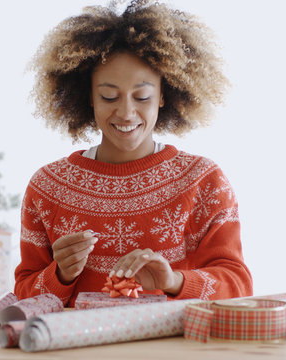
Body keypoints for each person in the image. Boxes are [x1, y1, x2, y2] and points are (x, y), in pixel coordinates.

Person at [14, 0, 252, 307]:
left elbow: (239, 286)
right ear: (88, 95)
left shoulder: (203, 181)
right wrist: (59, 275)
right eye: (109, 96)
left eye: (142, 96)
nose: (126, 113)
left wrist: (174, 281)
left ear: (164, 94)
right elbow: (23, 293)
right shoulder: (47, 187)